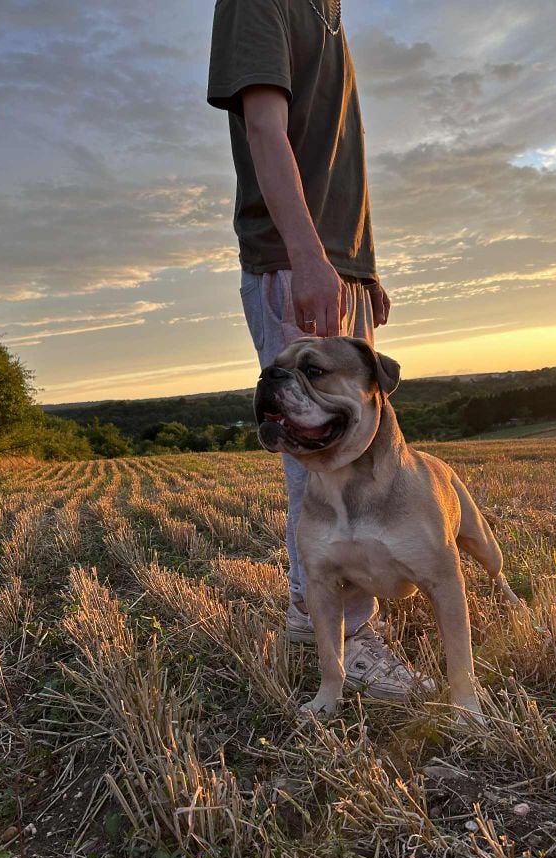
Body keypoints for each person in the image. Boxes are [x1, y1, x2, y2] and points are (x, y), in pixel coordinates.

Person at [208, 0, 429, 699]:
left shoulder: (327, 10)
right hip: (296, 258)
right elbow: (265, 129)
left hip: (336, 264)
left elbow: (336, 161)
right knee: (323, 453)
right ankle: (347, 637)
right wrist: (307, 256)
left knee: (358, 447)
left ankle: (322, 617)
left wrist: (361, 267)